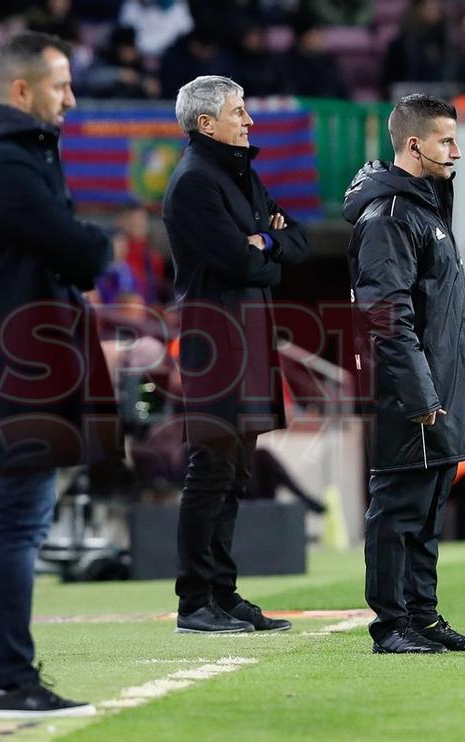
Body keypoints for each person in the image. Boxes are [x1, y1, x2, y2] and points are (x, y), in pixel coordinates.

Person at [0, 31, 114, 718]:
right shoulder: (4, 165)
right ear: (21, 91)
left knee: (2, 526)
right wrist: (92, 243)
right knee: (18, 526)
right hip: (21, 371)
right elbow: (79, 249)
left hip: (4, 363)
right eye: (60, 85)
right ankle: (9, 680)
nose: (71, 99)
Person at [343, 94, 465, 654]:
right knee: (398, 505)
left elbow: (443, 314)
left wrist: (463, 378)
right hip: (409, 390)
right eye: (446, 141)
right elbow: (387, 318)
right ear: (414, 144)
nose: (456, 151)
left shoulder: (424, 208)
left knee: (429, 504)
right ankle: (391, 625)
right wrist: (421, 392)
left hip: (439, 383)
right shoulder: (389, 217)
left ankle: (423, 615)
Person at [163, 75, 310, 634]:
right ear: (207, 124)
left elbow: (293, 237)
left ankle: (221, 594)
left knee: (235, 469)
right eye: (239, 112)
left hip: (248, 333)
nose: (250, 121)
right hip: (215, 338)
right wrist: (261, 249)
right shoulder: (195, 182)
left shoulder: (238, 174)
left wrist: (265, 241)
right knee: (212, 468)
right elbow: (240, 264)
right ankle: (194, 600)